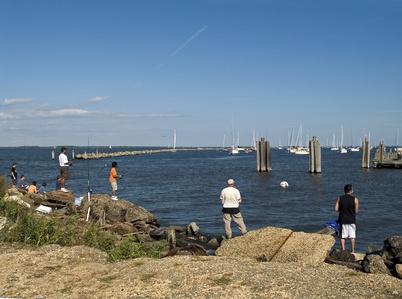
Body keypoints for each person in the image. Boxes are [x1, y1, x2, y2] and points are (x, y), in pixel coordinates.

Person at [335, 184, 359, 253]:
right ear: (351, 191)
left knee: (342, 236)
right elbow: (356, 211)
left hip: (343, 219)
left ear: (344, 191)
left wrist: (341, 209)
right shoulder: (355, 199)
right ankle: (353, 251)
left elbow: (336, 209)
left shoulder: (340, 198)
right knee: (352, 236)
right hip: (352, 220)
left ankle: (343, 250)